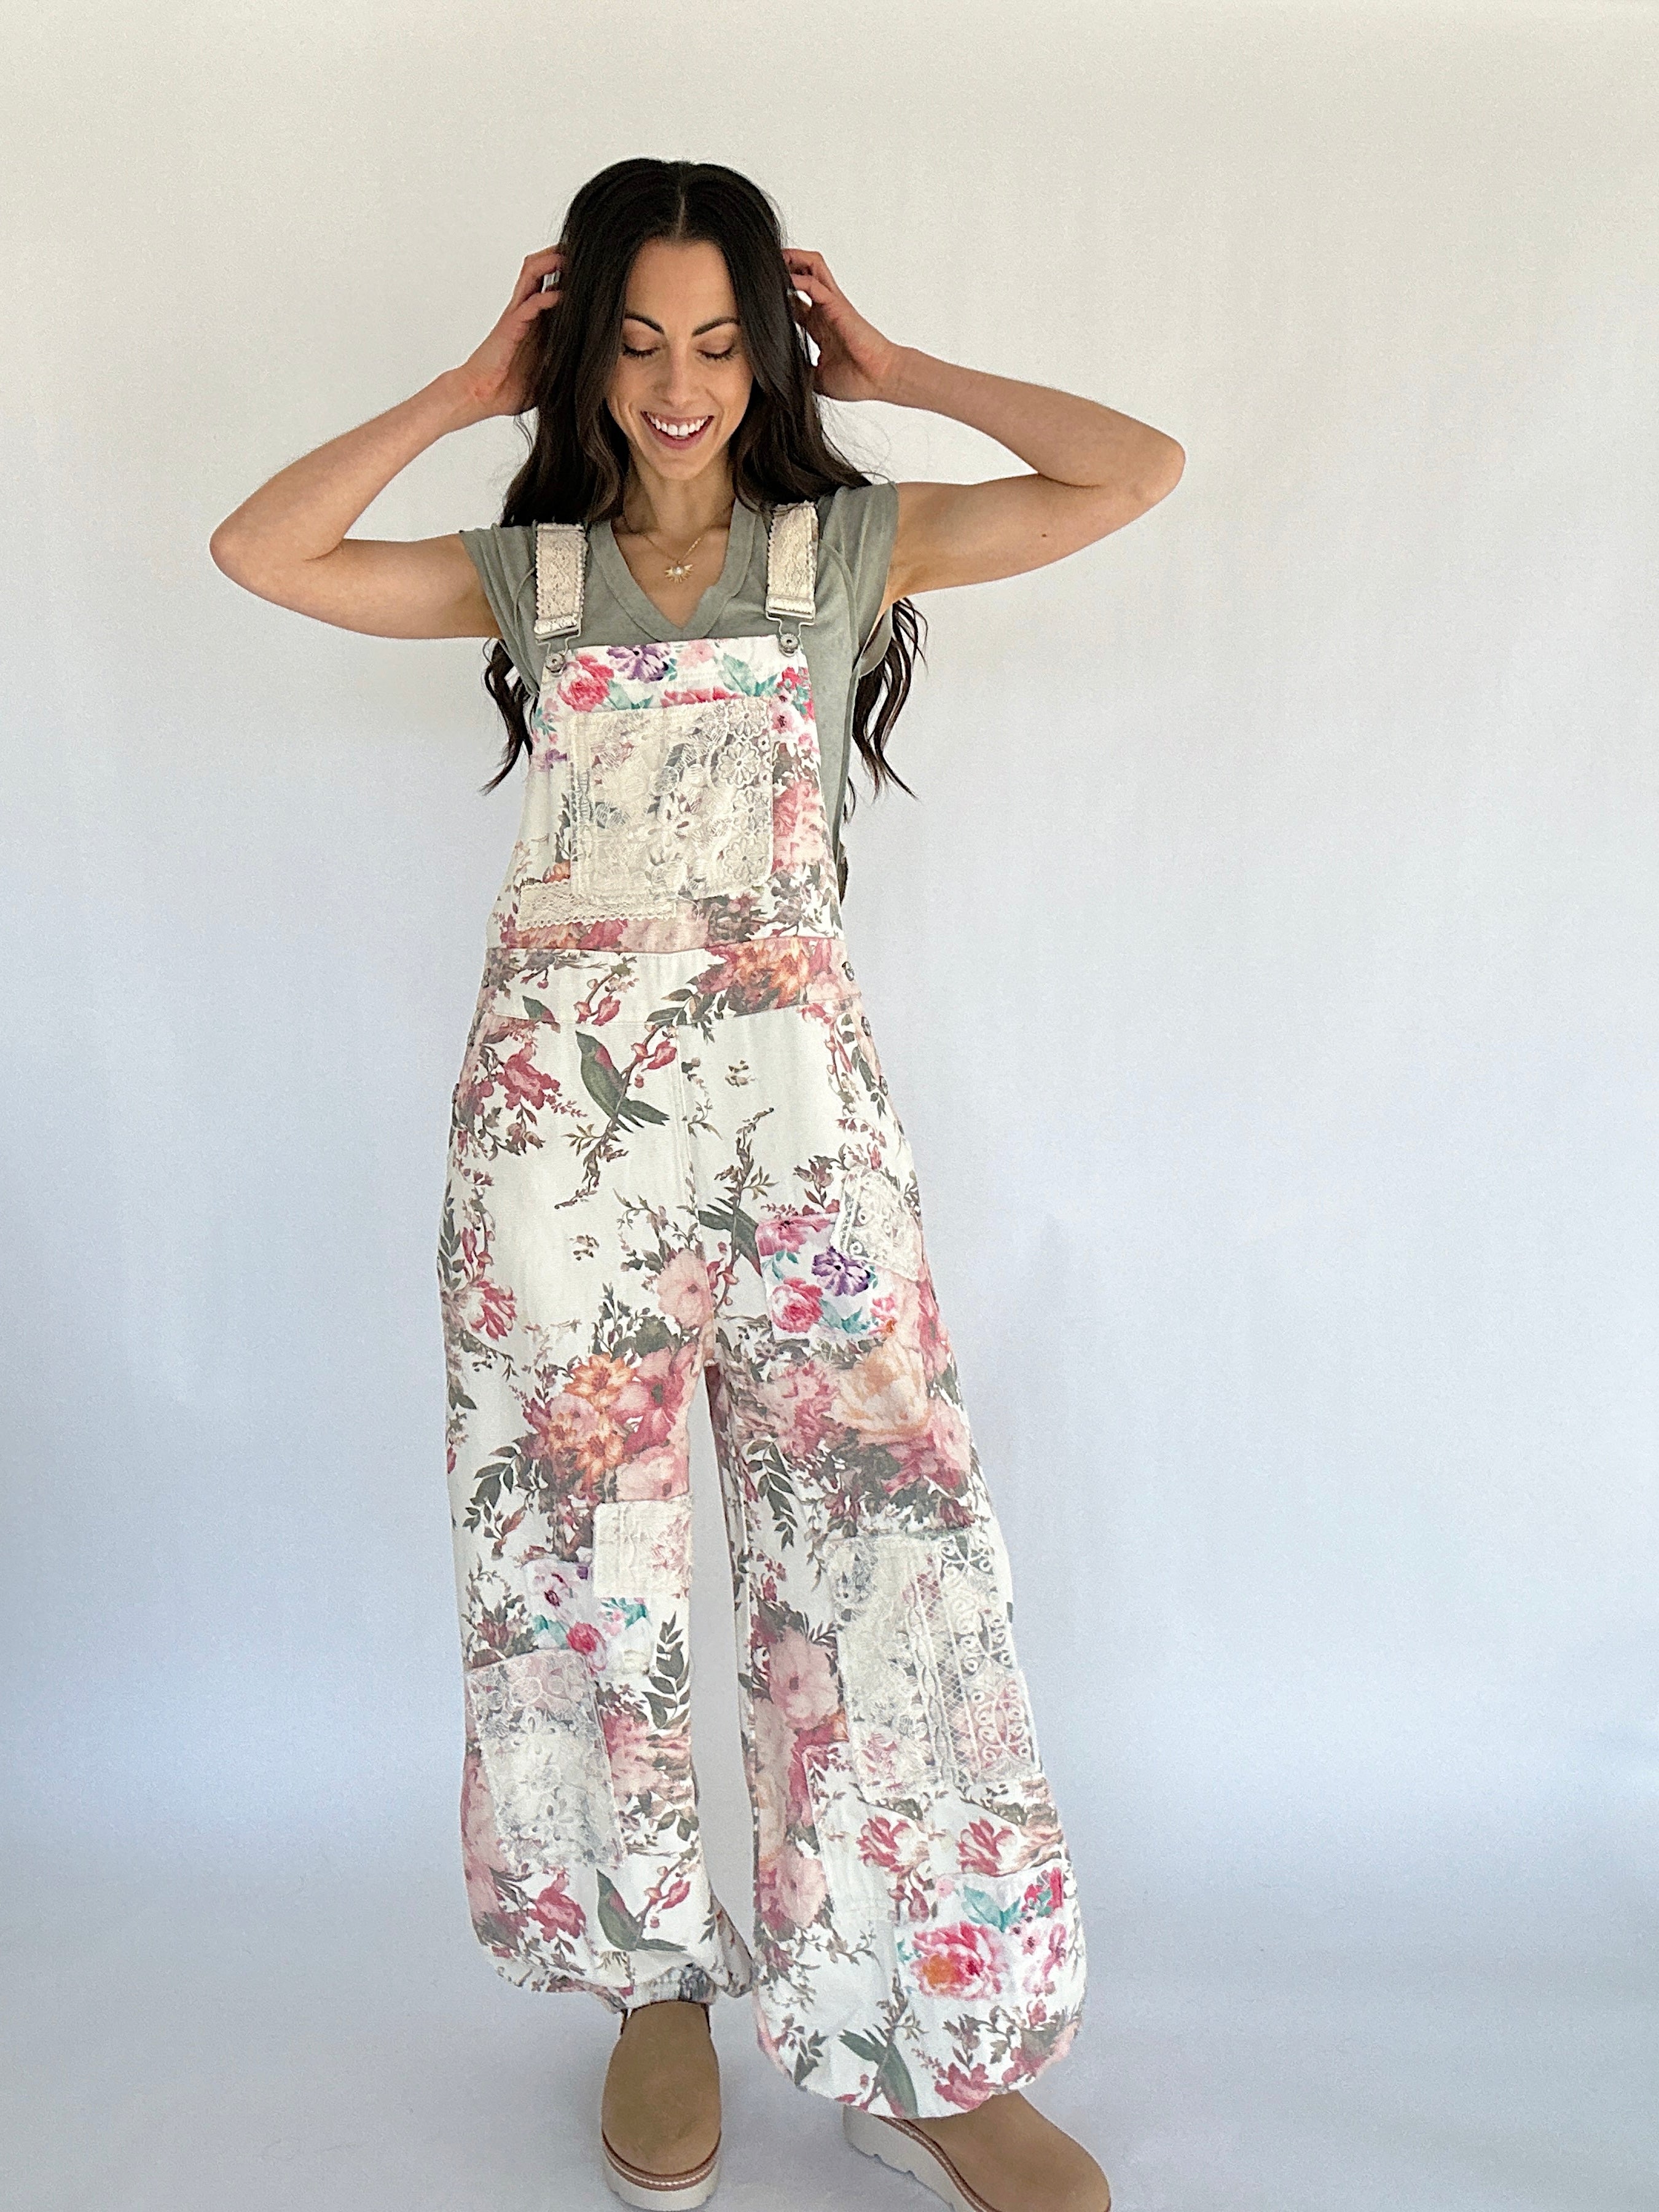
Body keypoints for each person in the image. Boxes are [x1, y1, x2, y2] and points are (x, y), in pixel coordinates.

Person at [210, 157, 1182, 2212]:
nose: (677, 385)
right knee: (574, 1566)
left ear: (770, 355)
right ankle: (648, 1985)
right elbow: (260, 548)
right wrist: (463, 389)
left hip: (798, 1132)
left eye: (722, 344)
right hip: (554, 1150)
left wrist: (903, 370)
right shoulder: (533, 576)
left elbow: (1132, 471)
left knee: (887, 1555)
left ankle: (920, 2039)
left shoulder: (844, 551)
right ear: (584, 353)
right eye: (638, 341)